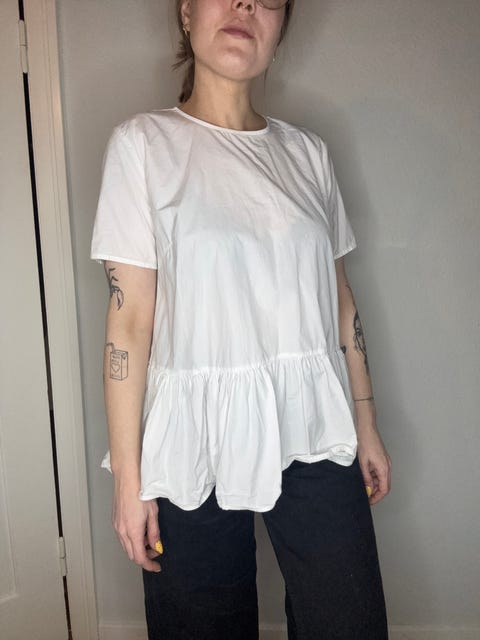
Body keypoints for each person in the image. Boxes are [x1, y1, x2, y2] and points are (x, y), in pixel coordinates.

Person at [91, 0, 392, 638]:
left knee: (350, 622)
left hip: (313, 423)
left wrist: (365, 424)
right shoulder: (143, 145)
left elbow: (341, 301)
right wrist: (129, 479)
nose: (246, 5)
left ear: (280, 26)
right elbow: (130, 321)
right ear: (186, 11)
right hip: (191, 436)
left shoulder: (307, 153)